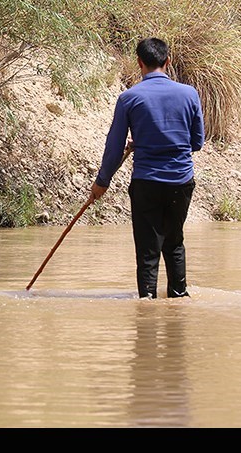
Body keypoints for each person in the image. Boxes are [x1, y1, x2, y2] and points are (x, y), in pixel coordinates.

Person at [90, 37, 205, 299]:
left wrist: (102, 182)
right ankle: (178, 298)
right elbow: (196, 142)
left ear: (139, 62)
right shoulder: (189, 94)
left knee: (147, 249)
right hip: (180, 181)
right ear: (168, 61)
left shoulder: (128, 98)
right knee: (174, 242)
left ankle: (147, 305)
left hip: (147, 183)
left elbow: (114, 145)